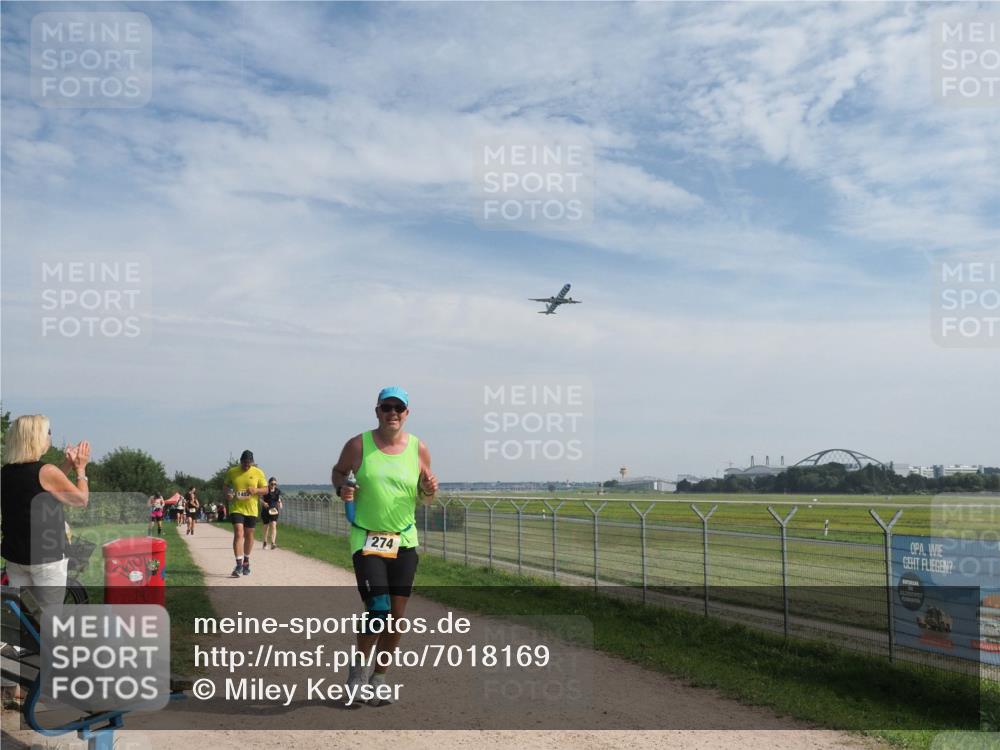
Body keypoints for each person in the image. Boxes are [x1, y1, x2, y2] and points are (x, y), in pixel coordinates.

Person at [331, 386, 438, 706]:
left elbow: (425, 496)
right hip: (367, 538)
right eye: (386, 407)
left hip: (404, 539)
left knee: (396, 617)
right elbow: (338, 473)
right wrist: (343, 489)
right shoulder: (357, 445)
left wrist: (430, 488)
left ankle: (380, 677)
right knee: (378, 609)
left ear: (407, 413)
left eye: (399, 408)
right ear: (376, 411)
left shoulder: (419, 449)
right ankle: (358, 675)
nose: (393, 413)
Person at [0, 414, 90, 612]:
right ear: (37, 437)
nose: (50, 436)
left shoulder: (6, 472)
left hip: (16, 558)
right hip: (46, 559)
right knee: (50, 617)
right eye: (48, 432)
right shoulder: (46, 471)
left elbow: (42, 486)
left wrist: (66, 464)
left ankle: (27, 643)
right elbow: (81, 499)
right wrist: (81, 469)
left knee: (25, 616)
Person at [223, 450, 268, 577]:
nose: (246, 466)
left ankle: (246, 561)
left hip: (252, 509)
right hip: (236, 508)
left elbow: (266, 490)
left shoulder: (258, 472)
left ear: (252, 462)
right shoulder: (232, 471)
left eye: (248, 463)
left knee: (249, 534)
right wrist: (228, 494)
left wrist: (256, 490)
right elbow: (226, 485)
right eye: (244, 463)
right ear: (240, 461)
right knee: (239, 533)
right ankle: (238, 565)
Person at [260, 477, 282, 549]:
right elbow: (260, 499)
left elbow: (278, 499)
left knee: (273, 524)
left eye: (275, 484)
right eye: (272, 484)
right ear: (269, 483)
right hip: (266, 510)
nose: (273, 485)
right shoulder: (265, 490)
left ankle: (273, 542)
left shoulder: (277, 491)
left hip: (274, 510)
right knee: (266, 526)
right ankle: (265, 542)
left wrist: (280, 503)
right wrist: (264, 503)